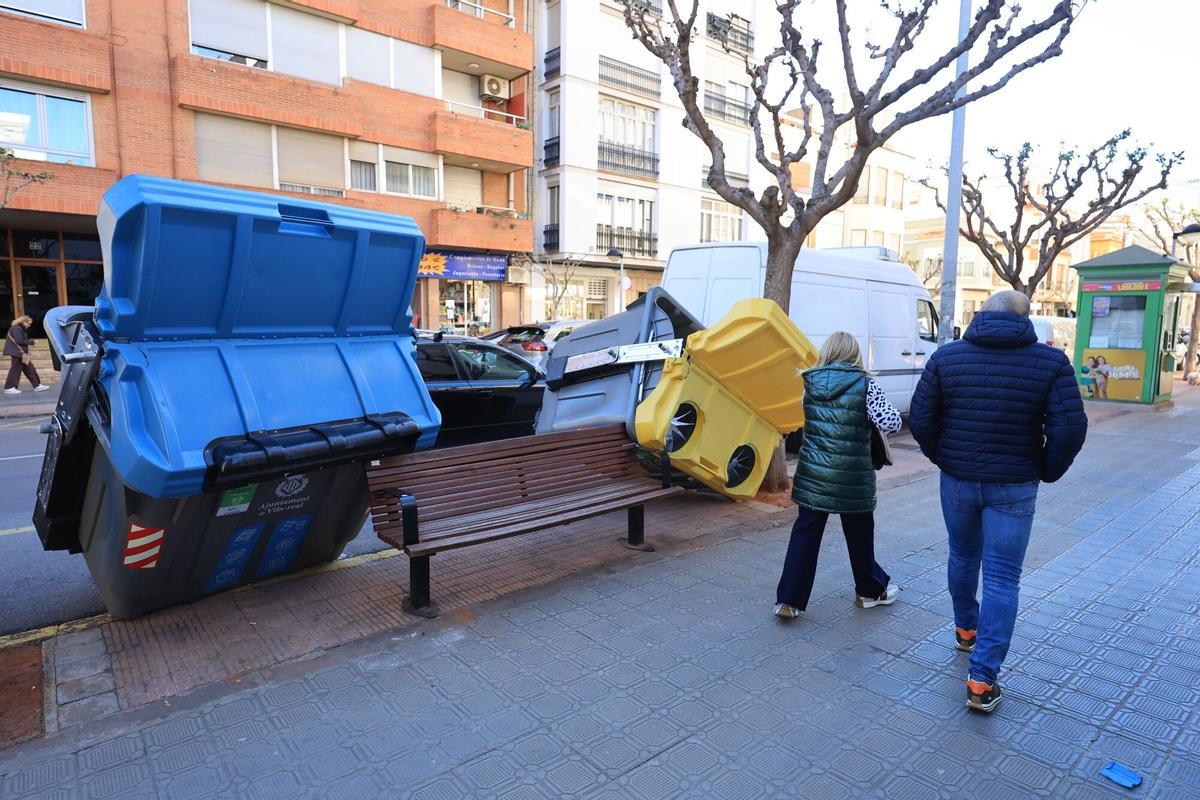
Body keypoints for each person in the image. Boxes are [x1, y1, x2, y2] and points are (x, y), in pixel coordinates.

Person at [909, 290, 1087, 713]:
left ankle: (966, 629)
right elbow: (1070, 427)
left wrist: (946, 458)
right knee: (1003, 579)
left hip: (958, 480)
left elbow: (921, 418)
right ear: (1027, 317)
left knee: (962, 557)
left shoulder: (947, 357)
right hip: (1015, 482)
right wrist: (1044, 468)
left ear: (980, 314)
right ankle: (982, 680)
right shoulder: (1050, 362)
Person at [775, 331, 902, 620]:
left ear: (827, 351)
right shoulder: (865, 384)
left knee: (805, 535)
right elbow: (891, 421)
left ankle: (788, 602)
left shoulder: (809, 381)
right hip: (852, 478)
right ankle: (869, 592)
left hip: (814, 474)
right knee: (859, 536)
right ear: (854, 354)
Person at [4, 315, 50, 395]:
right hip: (17, 352)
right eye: (28, 323)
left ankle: (37, 385)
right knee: (15, 369)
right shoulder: (17, 328)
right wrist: (32, 342)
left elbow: (20, 340)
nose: (29, 325)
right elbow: (19, 340)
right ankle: (9, 387)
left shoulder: (18, 328)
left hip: (19, 353)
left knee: (30, 369)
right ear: (23, 321)